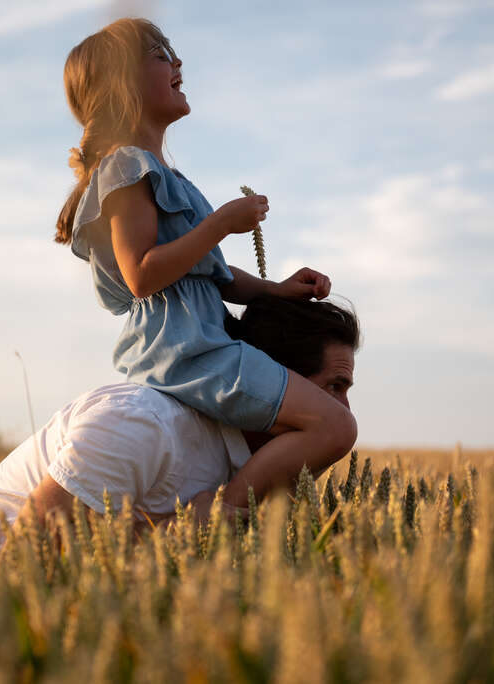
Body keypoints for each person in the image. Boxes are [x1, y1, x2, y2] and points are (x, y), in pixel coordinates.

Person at [54, 18, 357, 509]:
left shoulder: (163, 174)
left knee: (331, 424)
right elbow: (142, 274)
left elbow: (208, 274)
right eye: (159, 54)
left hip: (204, 342)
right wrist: (221, 224)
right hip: (185, 351)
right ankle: (217, 516)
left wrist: (273, 289)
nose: (177, 63)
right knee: (334, 425)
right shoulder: (125, 167)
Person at [0, 296, 360, 559]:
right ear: (272, 381)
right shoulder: (142, 425)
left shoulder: (251, 469)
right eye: (333, 387)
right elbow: (30, 554)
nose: (341, 410)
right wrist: (184, 534)